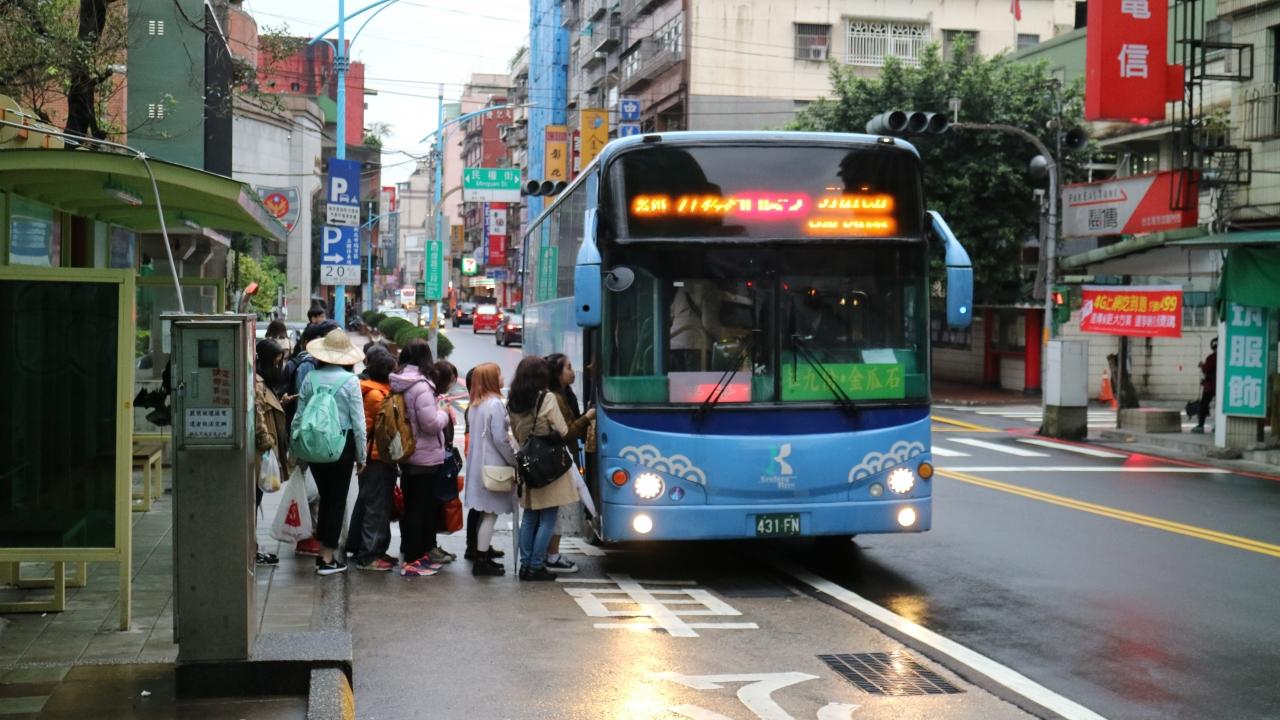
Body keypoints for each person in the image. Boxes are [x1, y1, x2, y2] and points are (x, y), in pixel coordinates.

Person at [293, 328, 366, 576]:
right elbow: (359, 424)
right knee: (336, 501)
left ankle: (322, 550)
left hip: (314, 444)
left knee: (326, 497)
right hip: (341, 445)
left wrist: (295, 448)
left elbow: (299, 417)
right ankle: (326, 558)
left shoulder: (310, 378)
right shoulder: (351, 381)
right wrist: (362, 457)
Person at [507, 356, 581, 581]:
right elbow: (563, 430)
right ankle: (536, 565)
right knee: (548, 518)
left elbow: (517, 434)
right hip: (548, 465)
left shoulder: (513, 400)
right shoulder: (546, 398)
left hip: (528, 463)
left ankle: (525, 565)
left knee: (530, 516)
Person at [390, 339, 452, 577]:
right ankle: (415, 558)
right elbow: (430, 424)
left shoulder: (399, 381)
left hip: (407, 452)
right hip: (424, 456)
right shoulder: (421, 386)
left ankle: (414, 552)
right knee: (421, 509)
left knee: (413, 507)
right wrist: (444, 413)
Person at [281, 319, 339, 558]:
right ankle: (307, 537)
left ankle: (312, 534)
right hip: (308, 435)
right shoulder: (308, 366)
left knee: (317, 489)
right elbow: (304, 405)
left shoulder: (320, 365)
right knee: (311, 490)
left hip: (317, 435)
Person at [345, 346, 400, 571]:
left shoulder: (374, 390)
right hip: (377, 457)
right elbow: (392, 426)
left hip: (374, 456)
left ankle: (365, 548)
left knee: (370, 503)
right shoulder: (378, 395)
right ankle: (370, 555)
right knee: (377, 507)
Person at [542, 353, 596, 574]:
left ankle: (548, 554)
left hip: (565, 458)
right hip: (561, 460)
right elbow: (567, 432)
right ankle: (551, 555)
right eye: (568, 367)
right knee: (559, 510)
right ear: (557, 373)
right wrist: (588, 417)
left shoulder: (565, 394)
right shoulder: (555, 398)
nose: (573, 372)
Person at [253, 339, 289, 566]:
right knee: (254, 499)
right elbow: (257, 416)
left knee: (256, 499)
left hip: (263, 451)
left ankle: (253, 546)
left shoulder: (262, 382)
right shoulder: (256, 384)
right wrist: (266, 442)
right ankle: (252, 548)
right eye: (276, 362)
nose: (279, 367)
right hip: (260, 452)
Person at [670, 280, 725, 372]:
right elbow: (709, 323)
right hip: (697, 344)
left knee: (676, 380)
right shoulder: (710, 288)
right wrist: (726, 338)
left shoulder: (681, 289)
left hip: (674, 344)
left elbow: (671, 314)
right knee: (695, 380)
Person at [1193, 338, 1218, 433]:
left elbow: (1206, 369)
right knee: (1219, 407)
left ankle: (1200, 425)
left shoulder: (1212, 357)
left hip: (1210, 386)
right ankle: (1218, 426)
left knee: (1203, 405)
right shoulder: (1225, 357)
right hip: (1220, 386)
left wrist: (1202, 365)